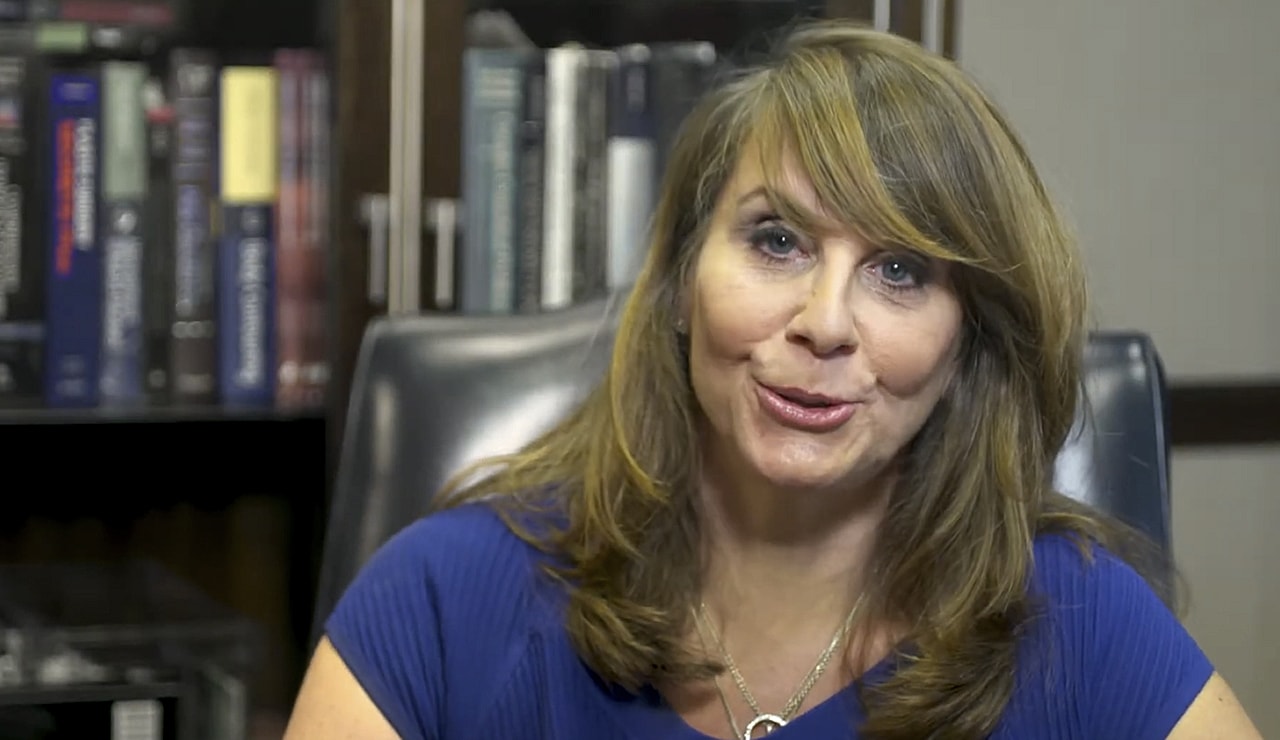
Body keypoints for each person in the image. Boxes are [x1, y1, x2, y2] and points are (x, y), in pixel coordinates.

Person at [284, 19, 1261, 740]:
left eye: (899, 271)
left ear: (966, 339)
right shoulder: (438, 599)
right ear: (675, 281)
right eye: (776, 239)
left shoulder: (1082, 624)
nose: (824, 323)